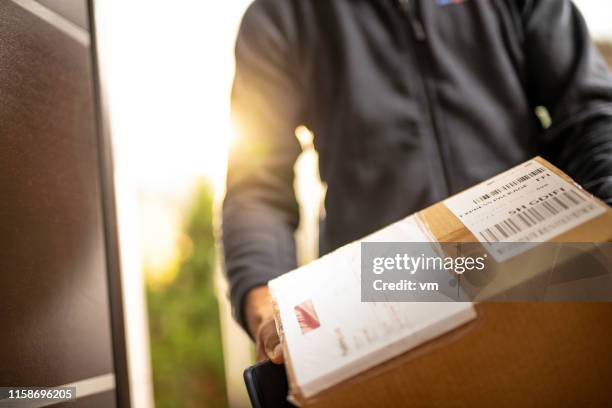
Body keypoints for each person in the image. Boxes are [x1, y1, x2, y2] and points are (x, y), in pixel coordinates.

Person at [221, 0, 612, 363]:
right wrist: (264, 301)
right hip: (384, 295)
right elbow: (257, 188)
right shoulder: (283, 13)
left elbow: (588, 114)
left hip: (533, 268)